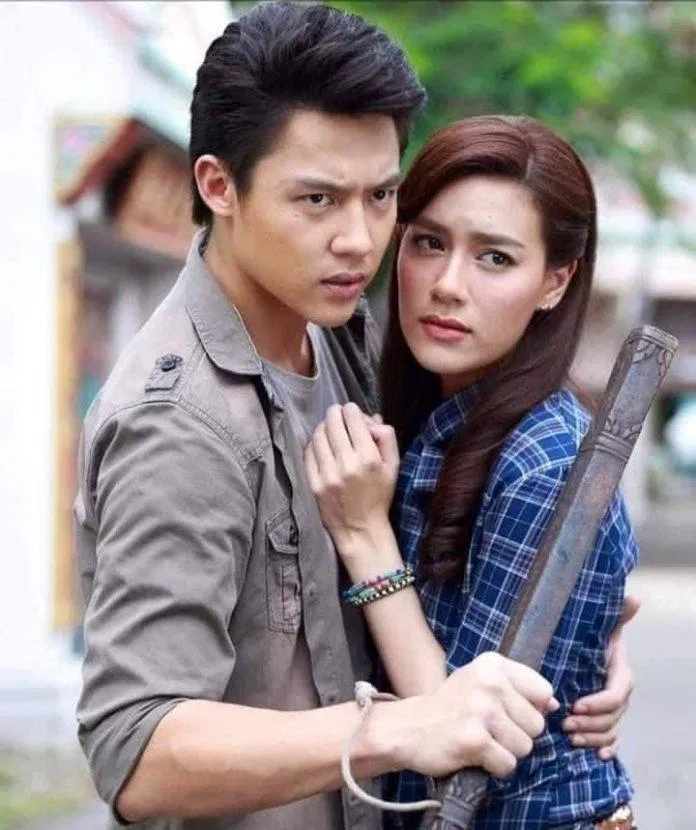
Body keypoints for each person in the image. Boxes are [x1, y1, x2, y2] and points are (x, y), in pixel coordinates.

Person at [74, 2, 634, 828]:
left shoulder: (338, 332)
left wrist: (580, 643)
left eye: (380, 196)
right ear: (218, 185)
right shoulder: (182, 421)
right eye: (318, 200)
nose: (359, 240)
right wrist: (402, 728)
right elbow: (136, 750)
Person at [305, 115, 639, 829]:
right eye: (429, 243)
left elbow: (465, 733)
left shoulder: (546, 461)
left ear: (554, 281)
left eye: (495, 258)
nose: (448, 285)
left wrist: (365, 537)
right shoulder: (421, 415)